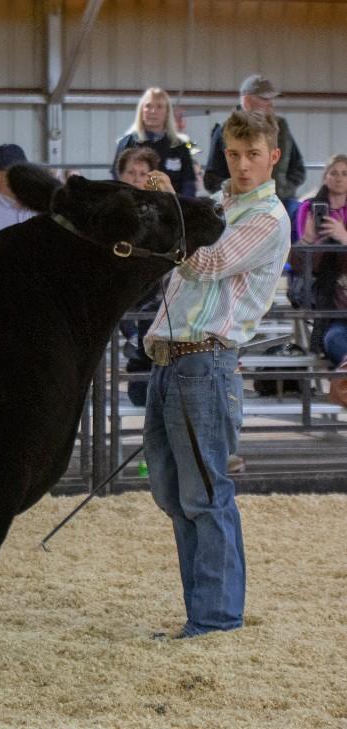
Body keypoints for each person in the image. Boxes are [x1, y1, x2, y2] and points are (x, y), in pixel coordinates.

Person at [143, 110, 291, 639]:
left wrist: (170, 209)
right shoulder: (220, 205)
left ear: (273, 156)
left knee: (204, 494)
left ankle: (216, 619)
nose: (243, 164)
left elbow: (206, 263)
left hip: (205, 361)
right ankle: (202, 614)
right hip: (172, 359)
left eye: (253, 154)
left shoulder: (268, 217)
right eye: (234, 153)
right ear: (223, 153)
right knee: (171, 490)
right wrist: (172, 204)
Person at [204, 75, 306, 216]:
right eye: (265, 99)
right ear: (246, 101)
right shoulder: (225, 131)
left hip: (279, 208)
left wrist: (281, 190)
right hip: (238, 213)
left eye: (271, 99)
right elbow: (211, 178)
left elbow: (298, 169)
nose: (271, 104)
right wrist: (238, 194)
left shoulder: (281, 129)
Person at [116, 147, 163, 407]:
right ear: (120, 175)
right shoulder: (109, 212)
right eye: (130, 172)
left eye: (142, 173)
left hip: (149, 286)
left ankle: (143, 376)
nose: (136, 178)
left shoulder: (162, 212)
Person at [291, 154, 347, 362]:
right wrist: (308, 239)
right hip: (325, 290)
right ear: (325, 177)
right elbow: (298, 263)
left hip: (340, 281)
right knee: (334, 339)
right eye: (334, 173)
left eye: (345, 174)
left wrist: (343, 237)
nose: (339, 178)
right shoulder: (308, 208)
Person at [111, 88, 196, 197]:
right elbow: (116, 180)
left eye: (159, 106)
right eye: (148, 106)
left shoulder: (179, 146)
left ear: (167, 112)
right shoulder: (127, 143)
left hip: (171, 208)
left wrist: (183, 208)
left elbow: (188, 183)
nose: (153, 111)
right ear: (141, 111)